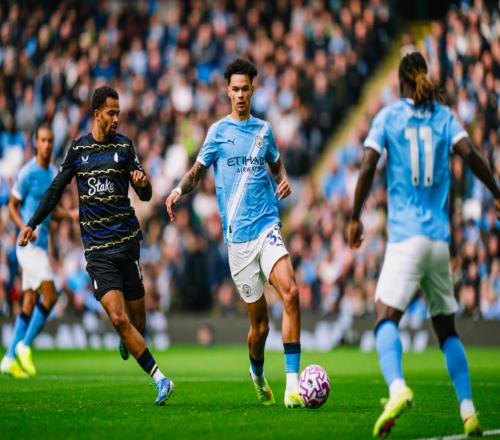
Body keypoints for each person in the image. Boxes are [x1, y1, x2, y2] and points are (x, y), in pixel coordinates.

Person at [348, 51, 500, 437]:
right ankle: (468, 410)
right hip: (438, 241)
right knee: (447, 329)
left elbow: (368, 165)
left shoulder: (389, 117)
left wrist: (354, 216)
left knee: (385, 317)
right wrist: (497, 192)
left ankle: (397, 388)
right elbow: (470, 154)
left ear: (400, 81)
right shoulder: (444, 117)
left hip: (406, 236)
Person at [18, 86, 174, 406]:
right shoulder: (79, 150)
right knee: (118, 318)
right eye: (111, 113)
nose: (116, 119)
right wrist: (32, 222)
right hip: (98, 251)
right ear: (96, 114)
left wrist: (144, 185)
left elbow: (144, 194)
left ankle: (129, 338)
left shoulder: (125, 147)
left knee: (137, 324)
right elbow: (55, 190)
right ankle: (161, 379)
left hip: (127, 244)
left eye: (119, 113)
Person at [166, 58, 303, 408]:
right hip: (238, 242)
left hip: (267, 227)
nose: (240, 94)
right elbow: (197, 172)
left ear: (253, 90)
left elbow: (277, 165)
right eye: (235, 89)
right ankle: (257, 374)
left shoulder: (264, 131)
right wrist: (178, 191)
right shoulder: (217, 133)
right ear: (228, 91)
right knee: (260, 328)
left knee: (290, 293)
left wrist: (283, 180)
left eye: (245, 89)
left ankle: (292, 386)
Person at [1, 123, 75, 378]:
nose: (46, 145)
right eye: (42, 140)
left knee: (30, 301)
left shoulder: (53, 173)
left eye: (50, 141)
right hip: (28, 247)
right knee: (50, 296)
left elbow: (52, 211)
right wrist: (25, 226)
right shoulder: (27, 173)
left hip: (42, 246)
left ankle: (8, 359)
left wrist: (70, 215)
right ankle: (24, 346)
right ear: (35, 142)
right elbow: (12, 206)